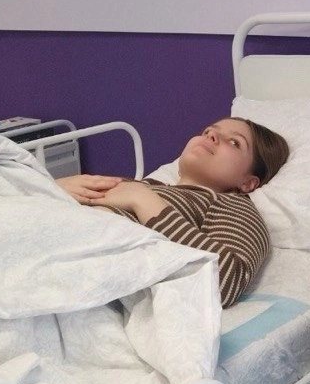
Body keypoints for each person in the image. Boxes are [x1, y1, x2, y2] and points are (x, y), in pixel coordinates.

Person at [60, 117, 289, 307]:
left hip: (81, 269)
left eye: (234, 142)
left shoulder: (232, 205)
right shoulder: (145, 185)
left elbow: (227, 281)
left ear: (248, 183)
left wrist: (144, 202)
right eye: (208, 131)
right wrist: (56, 187)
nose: (211, 136)